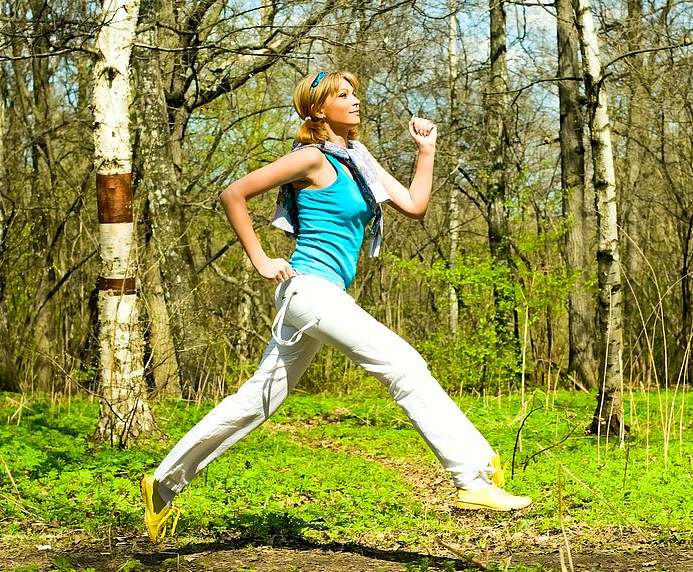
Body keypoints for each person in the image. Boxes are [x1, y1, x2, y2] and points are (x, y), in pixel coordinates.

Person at [140, 70, 532, 544]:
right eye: (343, 95)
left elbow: (413, 204)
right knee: (404, 366)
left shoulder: (357, 161)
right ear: (318, 111)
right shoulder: (310, 158)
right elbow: (233, 194)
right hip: (311, 292)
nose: (356, 100)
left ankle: (162, 483)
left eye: (355, 93)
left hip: (322, 299)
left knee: (257, 401)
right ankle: (472, 478)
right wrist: (261, 259)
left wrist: (425, 152)